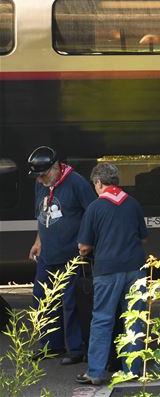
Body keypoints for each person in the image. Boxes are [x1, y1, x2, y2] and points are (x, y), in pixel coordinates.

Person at [75, 162, 148, 386]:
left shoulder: (95, 208)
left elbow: (84, 247)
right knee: (134, 319)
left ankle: (96, 372)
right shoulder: (133, 203)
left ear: (98, 182)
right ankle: (132, 369)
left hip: (107, 270)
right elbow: (143, 238)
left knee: (102, 320)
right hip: (135, 268)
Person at [27, 146, 95, 364]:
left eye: (43, 175)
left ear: (55, 168)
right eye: (37, 176)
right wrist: (38, 241)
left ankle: (75, 349)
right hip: (47, 253)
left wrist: (87, 243)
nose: (39, 181)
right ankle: (51, 346)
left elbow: (93, 214)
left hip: (71, 254)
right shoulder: (43, 184)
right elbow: (42, 215)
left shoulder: (77, 183)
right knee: (42, 299)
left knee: (71, 302)